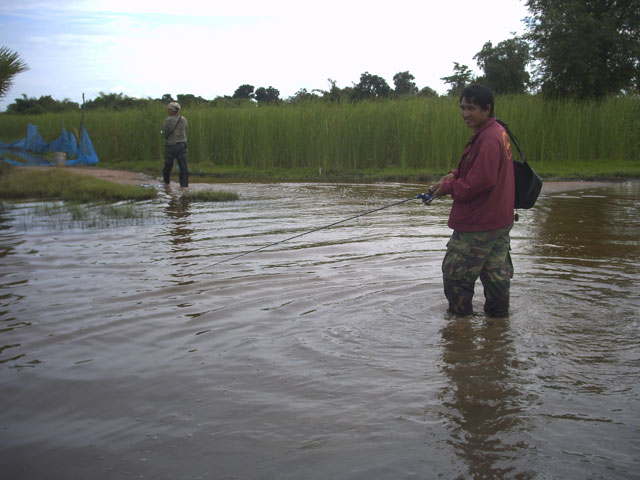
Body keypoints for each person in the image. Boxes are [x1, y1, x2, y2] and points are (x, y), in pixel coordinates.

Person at [431, 84, 515, 318]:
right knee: (496, 275)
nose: (465, 113)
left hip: (480, 222)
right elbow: (480, 169)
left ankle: (459, 327)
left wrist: (447, 188)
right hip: (499, 221)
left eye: (471, 108)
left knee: (455, 275)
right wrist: (455, 174)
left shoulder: (488, 137)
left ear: (487, 109)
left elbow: (481, 181)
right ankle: (498, 328)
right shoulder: (497, 132)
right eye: (462, 107)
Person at [161, 101, 189, 188]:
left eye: (168, 109)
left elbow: (165, 134)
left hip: (171, 145)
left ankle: (166, 182)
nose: (168, 111)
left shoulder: (167, 120)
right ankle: (184, 185)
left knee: (168, 165)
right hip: (182, 145)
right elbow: (185, 129)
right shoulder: (183, 119)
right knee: (183, 165)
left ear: (171, 110)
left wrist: (163, 133)